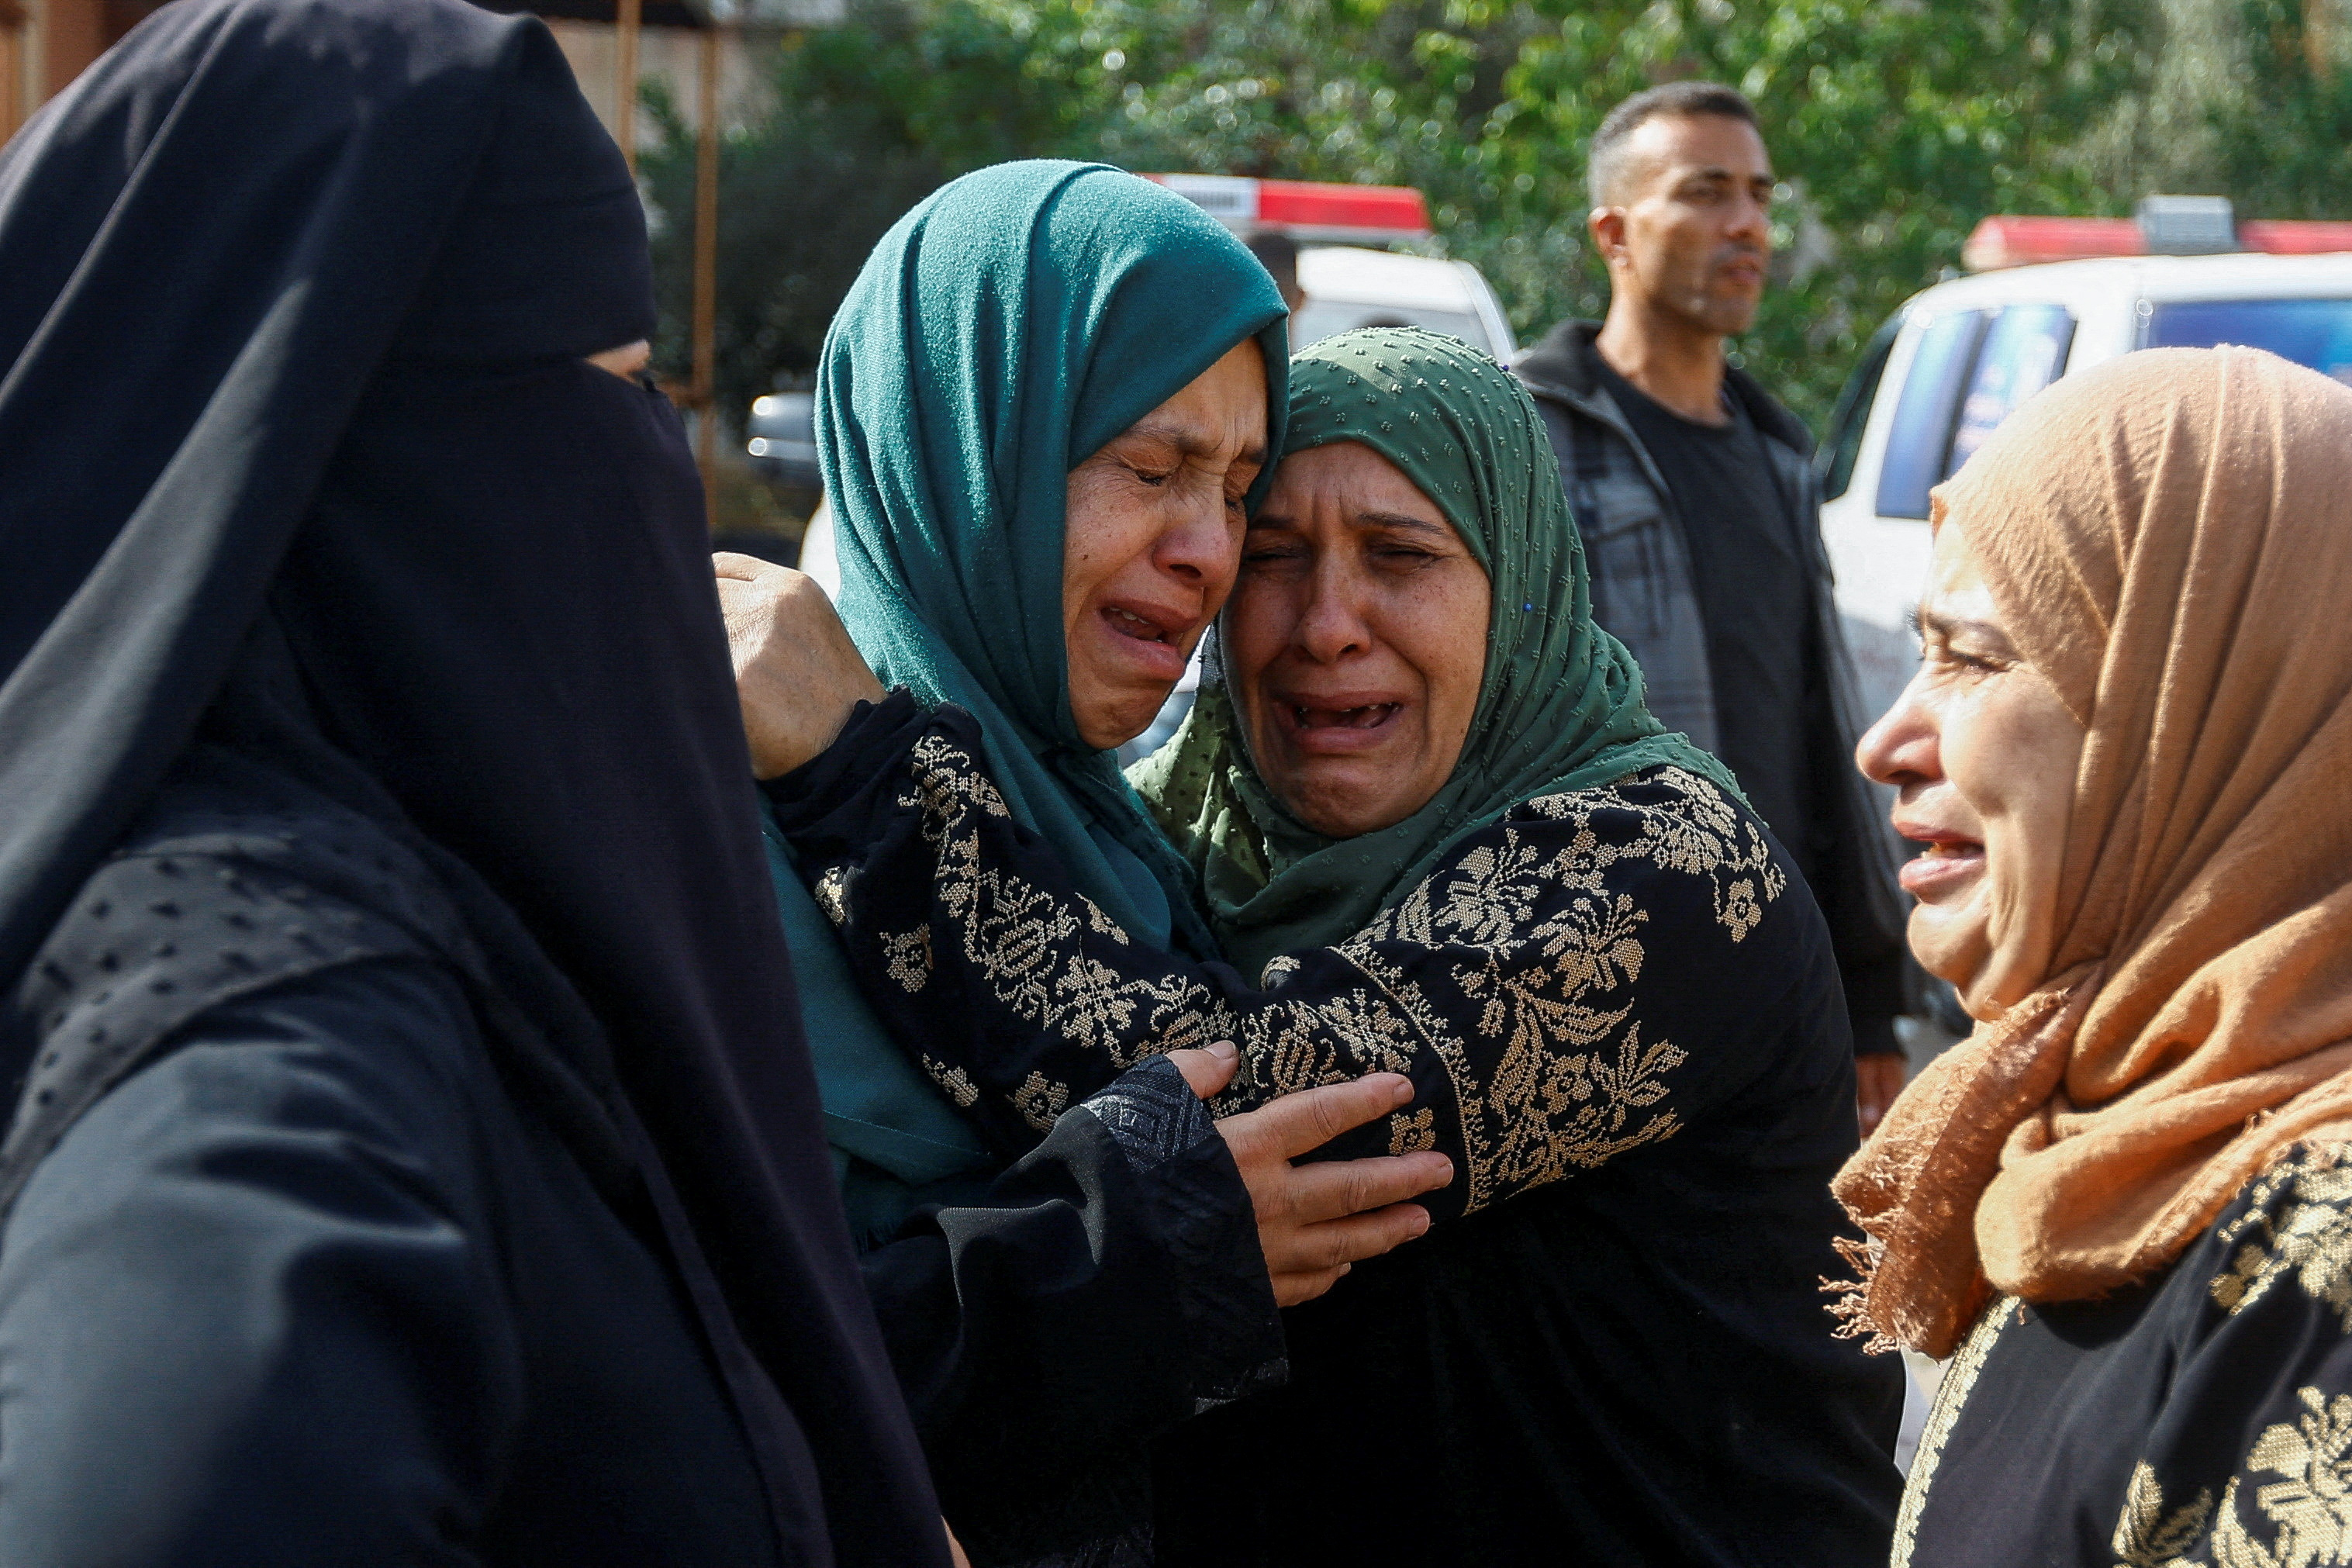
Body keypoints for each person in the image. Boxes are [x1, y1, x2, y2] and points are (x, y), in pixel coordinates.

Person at [0, 0, 953, 1559]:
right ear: (336, 431)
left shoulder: (340, 896)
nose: (645, 473)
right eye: (617, 390)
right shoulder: (285, 1019)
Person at [758, 327, 1904, 1565]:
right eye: (1276, 557)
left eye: (1401, 556)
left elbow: (1239, 1118)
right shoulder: (1166, 850)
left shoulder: (1659, 866)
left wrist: (864, 777)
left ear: (1518, 588)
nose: (1324, 624)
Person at [720, 162, 1454, 1568]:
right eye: (1148, 466)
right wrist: (1111, 1264)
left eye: (1238, 488)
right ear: (963, 442)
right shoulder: (695, 836)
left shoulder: (1110, 837)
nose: (1209, 553)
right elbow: (654, 1374)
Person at [1835, 347, 2352, 1567]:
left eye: (1970, 655)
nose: (1884, 740)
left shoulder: (2322, 1264)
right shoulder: (2090, 1134)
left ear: (2197, 708)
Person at [1512, 81, 1914, 1130]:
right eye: (1703, 193)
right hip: (1614, 971)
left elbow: (1819, 727)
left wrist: (1868, 993)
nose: (1745, 225)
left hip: (1784, 977)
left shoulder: (1778, 452)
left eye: (1757, 195)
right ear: (1614, 230)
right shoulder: (1531, 439)